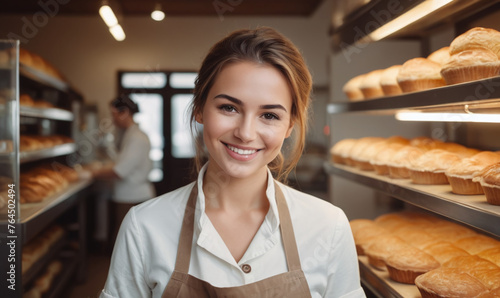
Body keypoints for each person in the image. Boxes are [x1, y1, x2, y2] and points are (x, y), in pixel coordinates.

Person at [100, 27, 365, 298]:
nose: (246, 133)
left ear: (290, 126)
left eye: (270, 115)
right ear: (200, 109)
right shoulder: (145, 227)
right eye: (229, 108)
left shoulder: (328, 227)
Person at [94, 95, 156, 246]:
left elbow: (119, 171)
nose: (113, 119)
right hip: (127, 195)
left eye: (114, 115)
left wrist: (91, 173)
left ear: (125, 112)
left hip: (133, 197)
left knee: (127, 244)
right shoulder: (128, 134)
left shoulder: (137, 138)